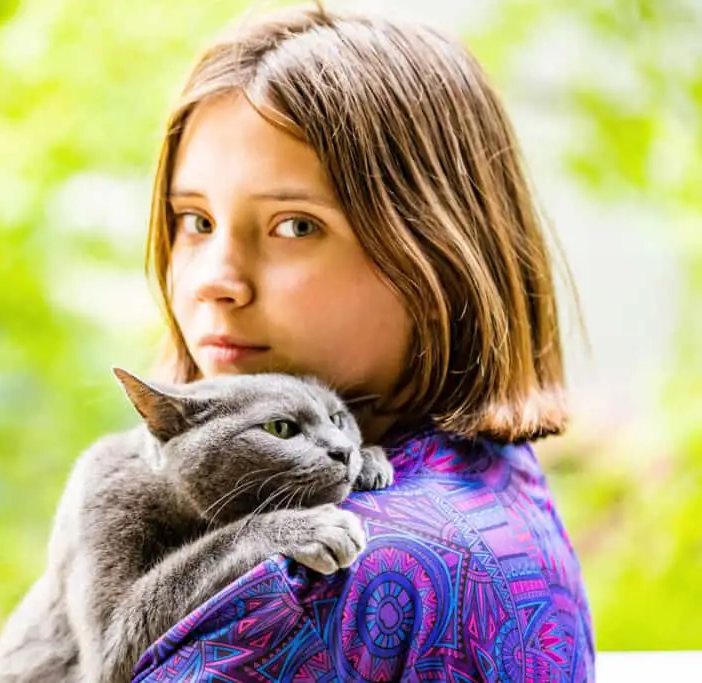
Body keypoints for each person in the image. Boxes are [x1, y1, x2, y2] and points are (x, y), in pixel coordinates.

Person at [130, 3, 595, 681]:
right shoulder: (499, 478)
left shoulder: (308, 577)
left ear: (439, 256)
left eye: (295, 226)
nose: (214, 281)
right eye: (194, 220)